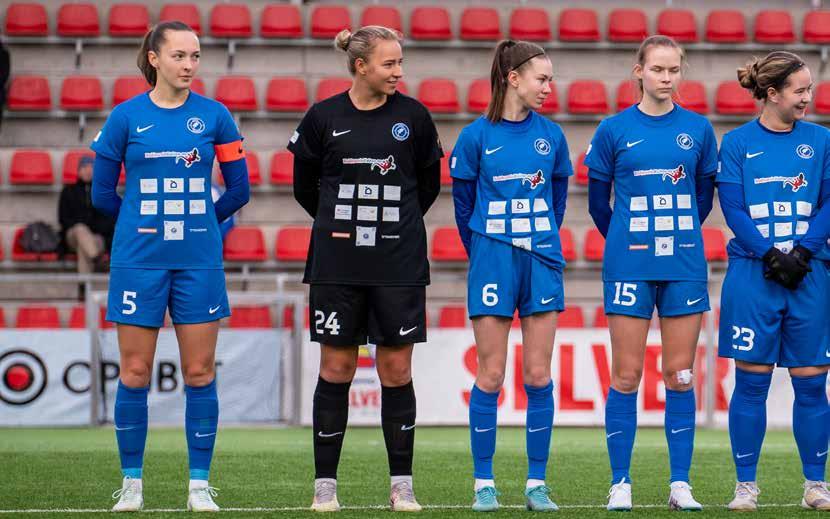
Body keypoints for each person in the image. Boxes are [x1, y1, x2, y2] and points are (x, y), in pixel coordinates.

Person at [90, 21, 250, 512]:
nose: (189, 65)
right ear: (154, 59)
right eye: (179, 55)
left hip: (198, 262)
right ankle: (131, 485)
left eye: (195, 56)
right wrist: (143, 226)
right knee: (135, 371)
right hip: (138, 263)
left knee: (199, 372)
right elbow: (101, 194)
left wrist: (198, 224)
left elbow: (239, 191)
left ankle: (199, 486)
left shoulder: (216, 116)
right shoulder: (125, 117)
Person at [288, 25, 442, 512]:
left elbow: (428, 187)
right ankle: (325, 487)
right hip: (337, 265)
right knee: (336, 368)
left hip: (398, 266)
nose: (398, 72)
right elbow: (305, 189)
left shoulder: (414, 117)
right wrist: (343, 229)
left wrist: (391, 231)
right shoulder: (323, 117)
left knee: (396, 371)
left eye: (400, 62)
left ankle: (402, 485)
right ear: (361, 66)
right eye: (389, 63)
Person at [585, 35, 718, 511]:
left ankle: (680, 484)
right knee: (625, 375)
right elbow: (599, 204)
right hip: (629, 265)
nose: (666, 77)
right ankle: (620, 482)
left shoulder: (699, 129)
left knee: (680, 375)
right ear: (638, 71)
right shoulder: (613, 129)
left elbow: (702, 199)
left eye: (673, 69)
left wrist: (674, 238)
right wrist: (628, 239)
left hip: (683, 264)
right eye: (658, 69)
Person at [451, 40, 571, 513]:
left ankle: (536, 484)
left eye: (551, 79)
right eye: (542, 78)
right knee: (492, 373)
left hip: (541, 259)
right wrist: (487, 250)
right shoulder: (475, 137)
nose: (548, 87)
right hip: (492, 259)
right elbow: (463, 208)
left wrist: (536, 240)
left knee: (538, 375)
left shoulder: (552, 136)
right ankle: (484, 483)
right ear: (513, 78)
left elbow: (557, 202)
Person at [717, 51, 830, 512]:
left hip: (810, 273)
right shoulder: (736, 143)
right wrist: (769, 254)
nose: (807, 98)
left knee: (811, 382)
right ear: (772, 93)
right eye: (800, 90)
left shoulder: (822, 140)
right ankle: (746, 486)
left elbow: (829, 202)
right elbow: (733, 208)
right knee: (751, 382)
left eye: (809, 89)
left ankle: (816, 484)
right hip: (753, 274)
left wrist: (801, 252)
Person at [58, 155, 115, 278]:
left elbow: (108, 221)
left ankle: (84, 286)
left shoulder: (101, 193)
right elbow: (63, 219)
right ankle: (97, 259)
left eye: (91, 167)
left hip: (96, 238)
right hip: (72, 236)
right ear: (79, 171)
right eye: (84, 167)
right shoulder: (68, 191)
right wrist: (84, 224)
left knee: (83, 247)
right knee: (80, 229)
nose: (88, 171)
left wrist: (91, 228)